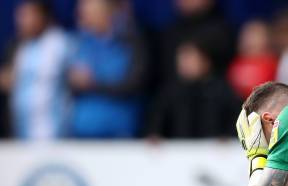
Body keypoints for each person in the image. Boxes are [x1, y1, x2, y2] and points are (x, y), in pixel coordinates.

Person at [68, 0, 146, 139]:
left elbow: (133, 84)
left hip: (119, 135)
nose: (82, 16)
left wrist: (93, 83)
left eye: (89, 11)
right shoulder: (77, 43)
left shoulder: (129, 41)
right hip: (81, 134)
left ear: (106, 12)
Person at [5, 0, 72, 141]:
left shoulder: (61, 44)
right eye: (19, 16)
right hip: (21, 130)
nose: (21, 21)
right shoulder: (18, 46)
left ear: (43, 16)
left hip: (51, 130)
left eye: (27, 15)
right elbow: (10, 78)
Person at [148, 40, 239, 139]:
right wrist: (154, 134)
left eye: (190, 59)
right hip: (178, 151)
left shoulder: (222, 91)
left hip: (214, 152)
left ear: (205, 62)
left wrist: (228, 138)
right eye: (181, 59)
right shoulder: (169, 93)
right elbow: (156, 124)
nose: (184, 64)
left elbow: (236, 123)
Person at [227, 20, 277, 100]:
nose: (250, 39)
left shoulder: (272, 63)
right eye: (247, 35)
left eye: (255, 35)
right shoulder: (236, 63)